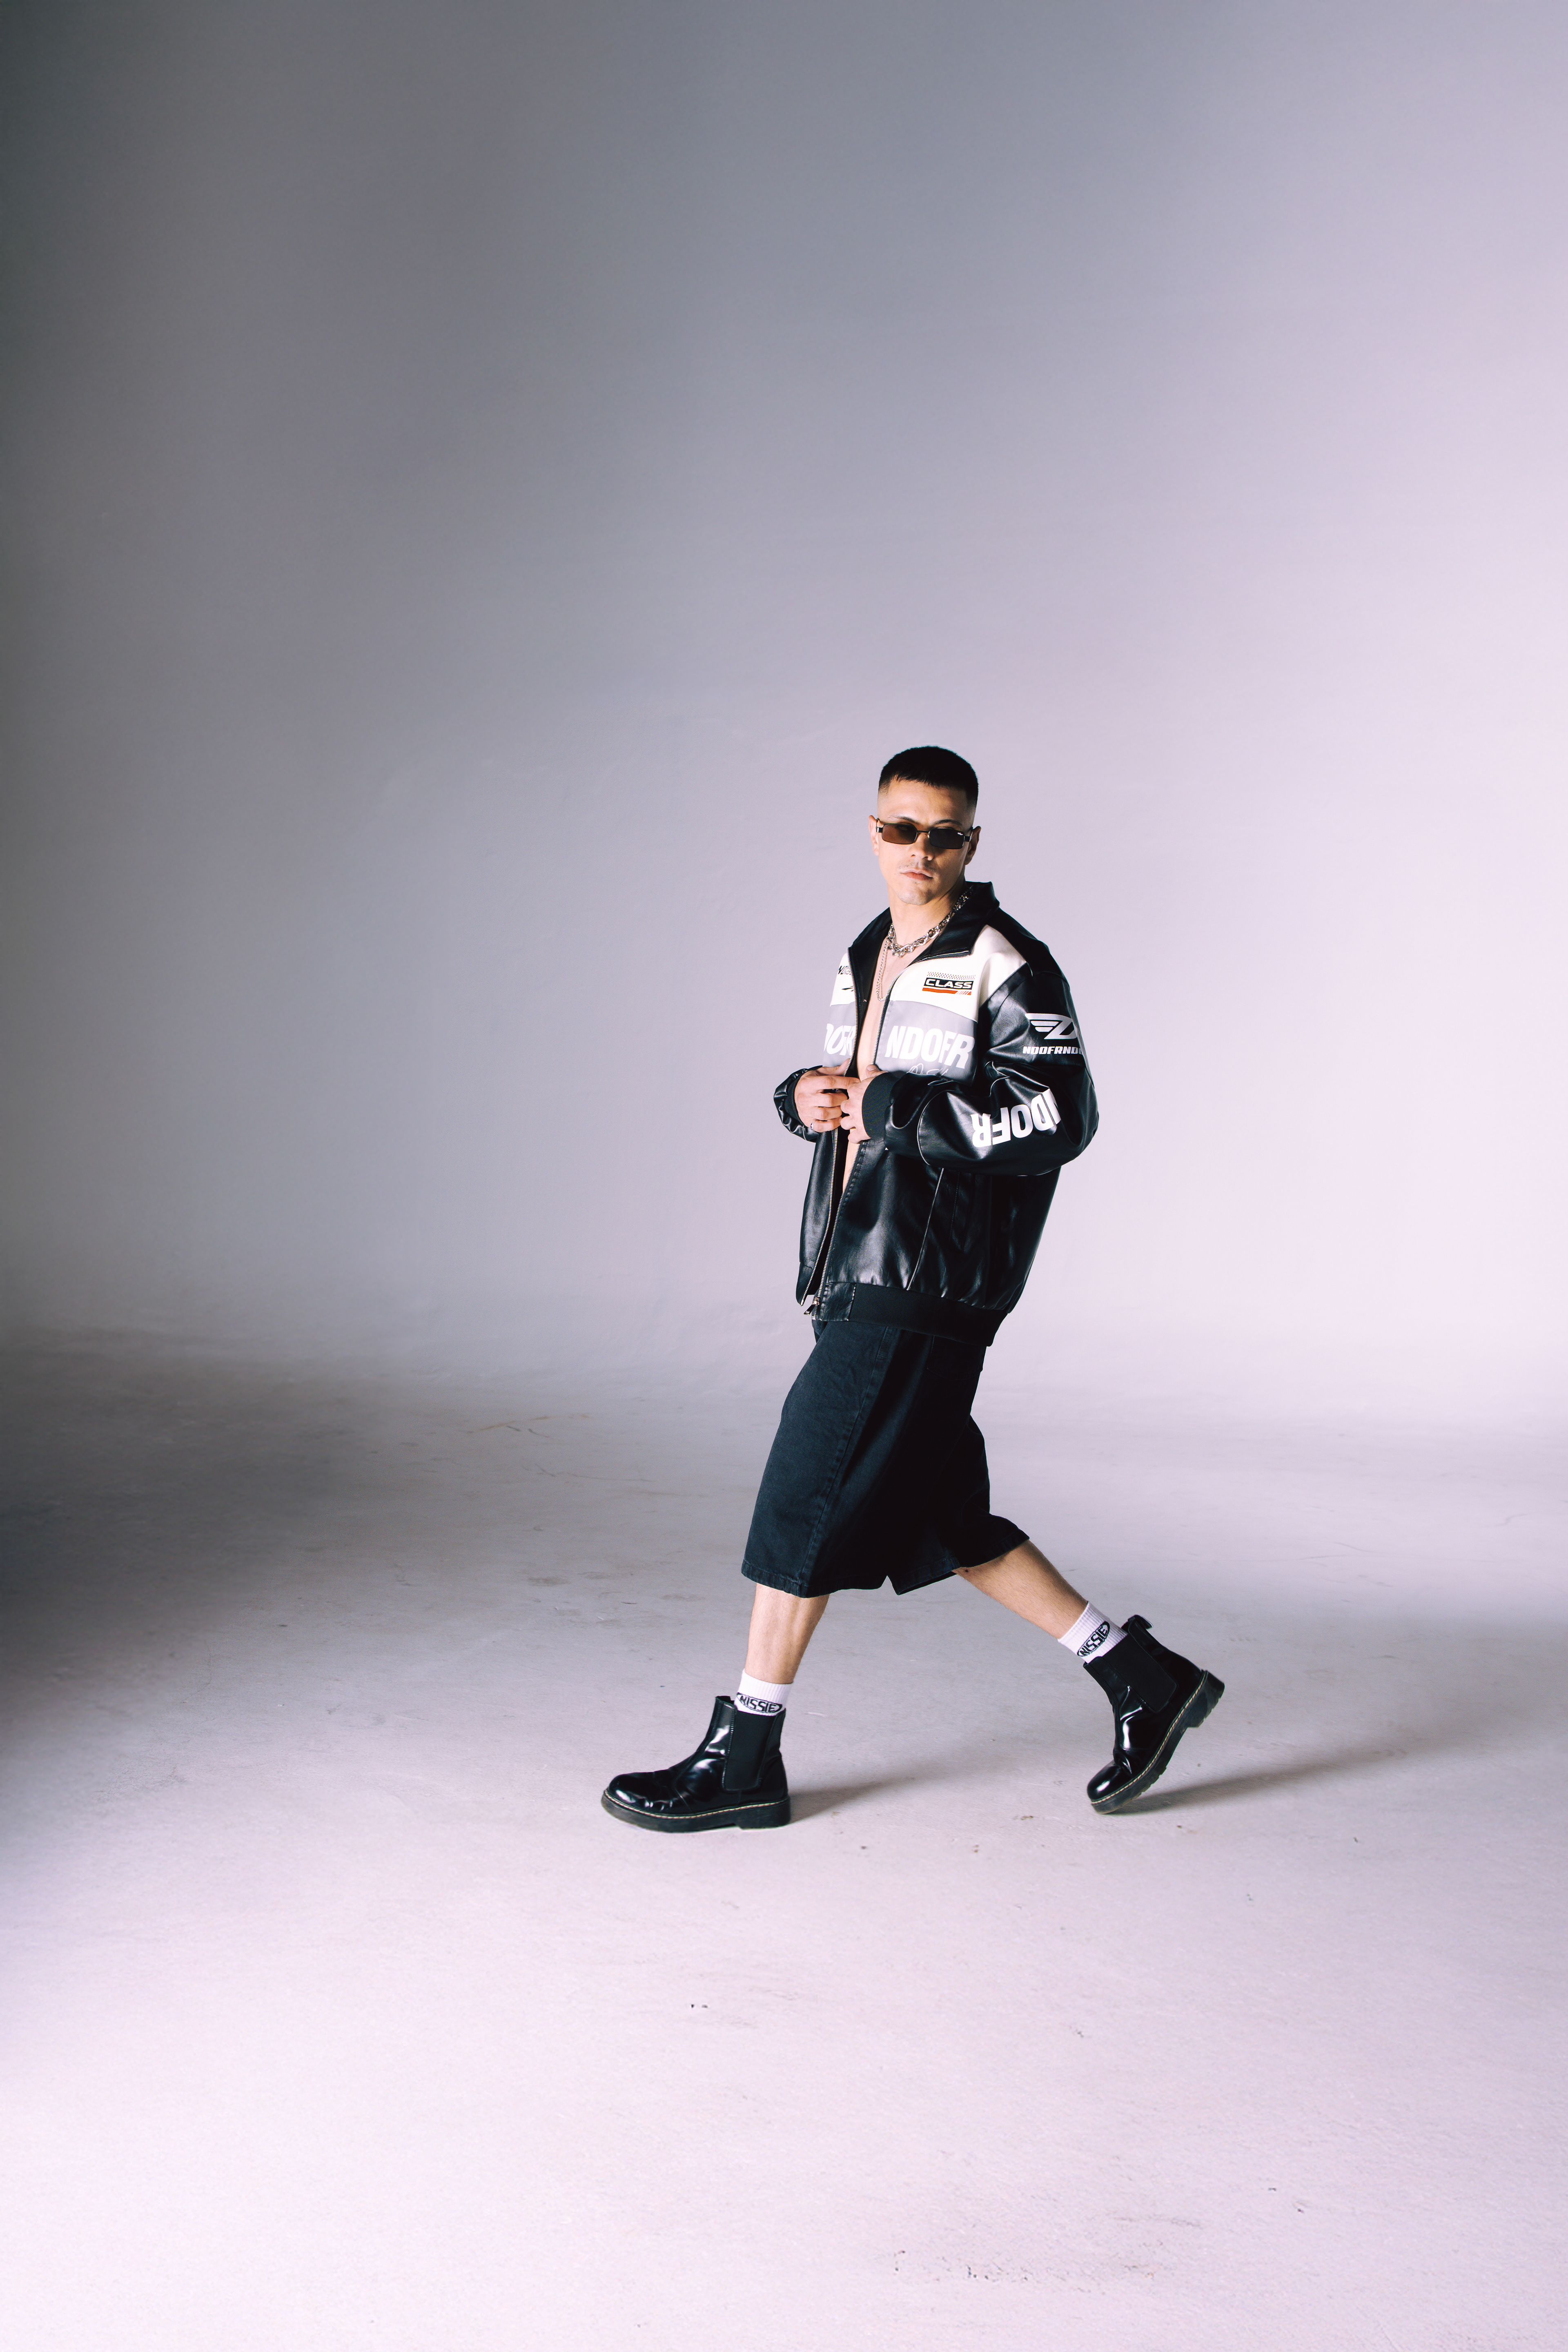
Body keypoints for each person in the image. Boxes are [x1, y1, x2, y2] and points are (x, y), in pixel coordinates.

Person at [601, 746, 1222, 1833]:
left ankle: (746, 1753)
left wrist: (894, 1110)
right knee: (945, 1517)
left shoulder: (1008, 962)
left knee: (806, 1491)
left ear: (970, 842)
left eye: (943, 834)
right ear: (874, 832)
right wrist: (805, 1097)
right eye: (902, 830)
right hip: (859, 1265)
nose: (921, 851)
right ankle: (1143, 1678)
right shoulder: (868, 951)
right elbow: (864, 1097)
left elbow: (1058, 1116)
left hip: (922, 1280)